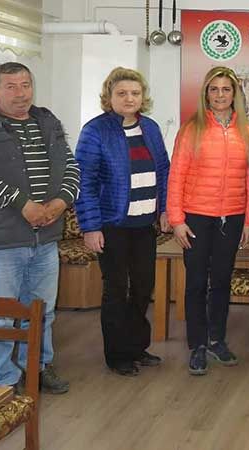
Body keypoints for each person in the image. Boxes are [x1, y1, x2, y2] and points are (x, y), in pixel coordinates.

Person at [0, 62, 80, 394]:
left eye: (25, 85)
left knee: (42, 312)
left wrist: (61, 202)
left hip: (45, 238)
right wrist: (23, 204)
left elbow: (70, 167)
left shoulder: (47, 122)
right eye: (11, 86)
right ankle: (2, 380)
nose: (21, 93)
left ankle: (37, 367)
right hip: (0, 242)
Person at [75, 67, 170, 377]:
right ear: (109, 97)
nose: (129, 98)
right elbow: (84, 182)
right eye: (122, 93)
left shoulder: (151, 128)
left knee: (143, 287)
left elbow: (164, 171)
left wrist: (165, 209)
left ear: (143, 97)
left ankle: (136, 347)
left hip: (144, 226)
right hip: (112, 226)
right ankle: (117, 355)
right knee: (116, 290)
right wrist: (90, 227)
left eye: (135, 93)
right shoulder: (95, 131)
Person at [168, 66, 249, 376]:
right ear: (206, 93)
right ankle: (197, 345)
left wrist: (248, 221)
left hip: (231, 218)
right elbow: (176, 176)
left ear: (235, 94)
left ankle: (217, 340)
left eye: (226, 89)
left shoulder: (247, 132)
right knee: (195, 282)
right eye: (214, 89)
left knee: (221, 281)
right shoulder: (191, 129)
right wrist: (177, 220)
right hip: (195, 218)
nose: (220, 95)